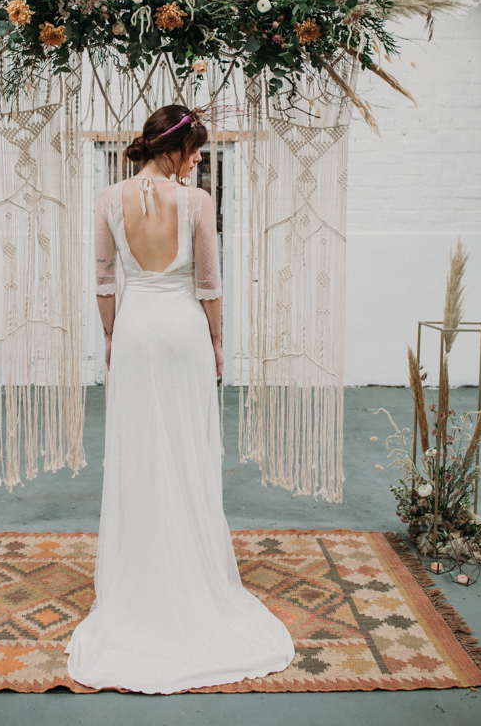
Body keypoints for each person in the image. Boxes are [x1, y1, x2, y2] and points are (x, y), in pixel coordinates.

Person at [66, 104, 294, 693]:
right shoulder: (196, 203)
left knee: (140, 448)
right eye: (194, 151)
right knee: (189, 451)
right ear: (173, 150)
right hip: (184, 332)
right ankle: (189, 573)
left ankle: (138, 575)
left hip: (138, 329)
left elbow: (103, 278)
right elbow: (209, 284)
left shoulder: (108, 198)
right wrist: (217, 344)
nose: (197, 161)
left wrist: (112, 334)